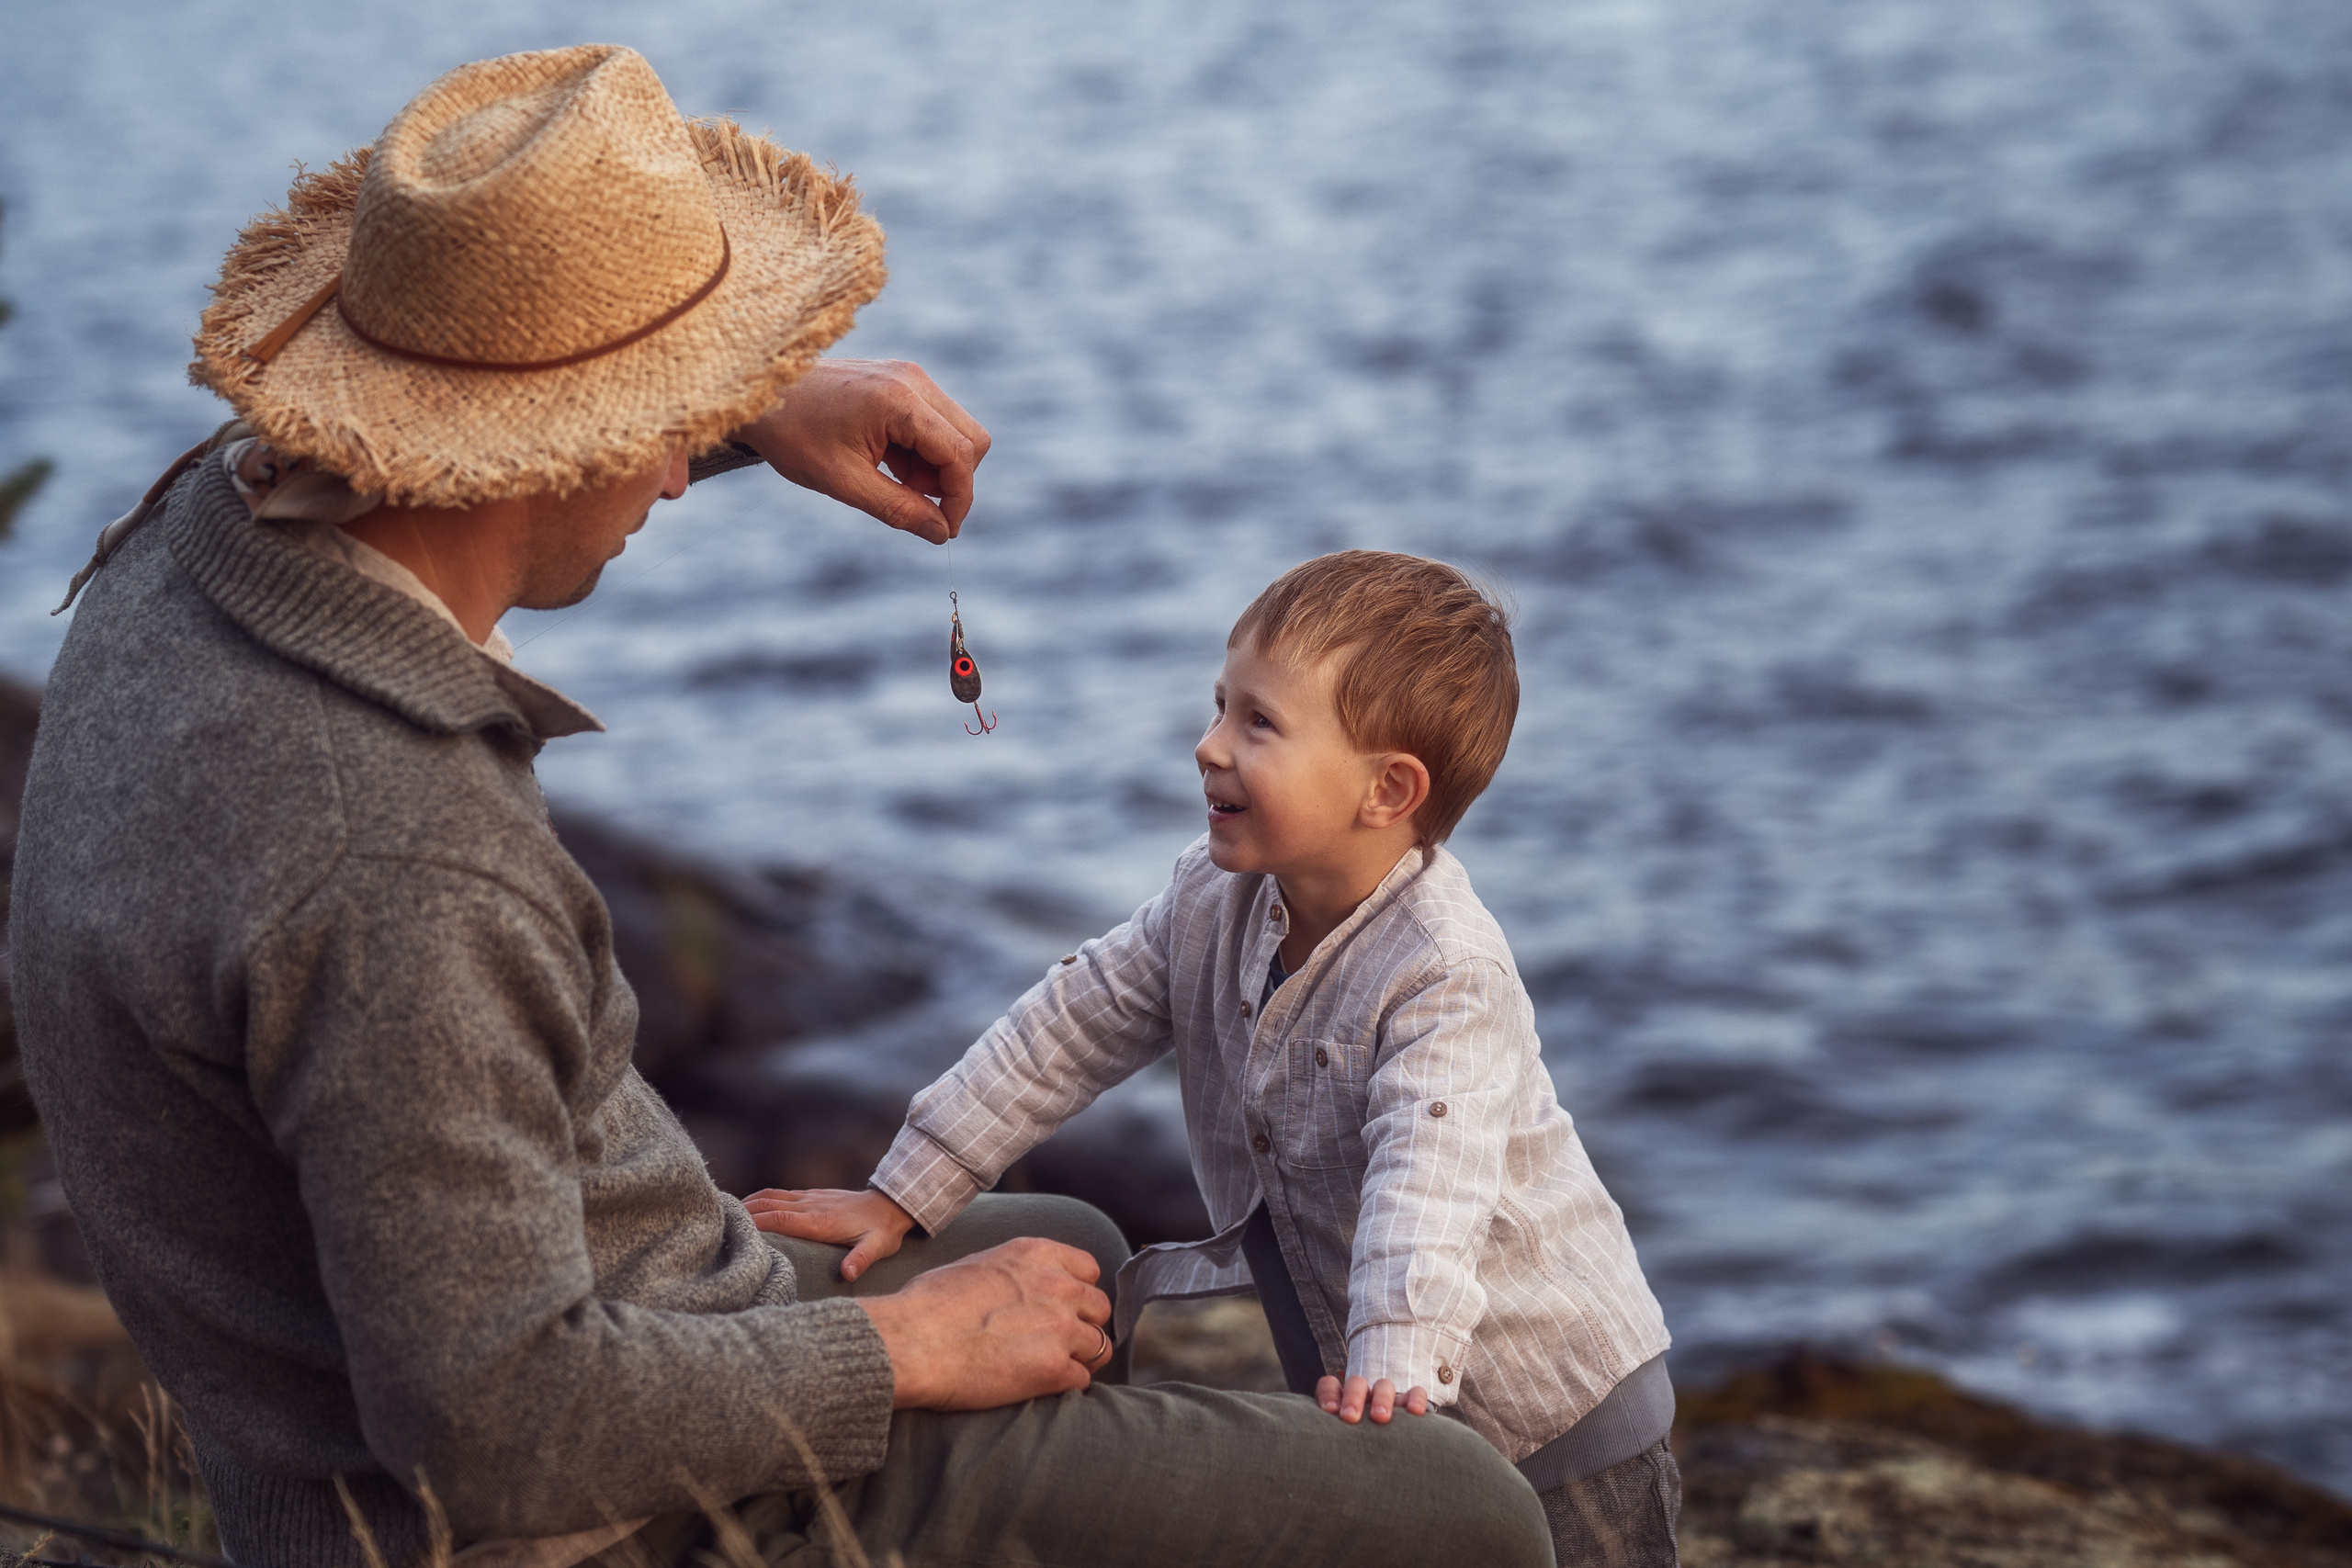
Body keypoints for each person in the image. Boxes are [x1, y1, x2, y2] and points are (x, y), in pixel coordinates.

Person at [8, 44, 1553, 1568]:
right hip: (587, 1518)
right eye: (669, 415)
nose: (680, 470)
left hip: (485, 1355)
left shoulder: (196, 544)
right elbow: (496, 1424)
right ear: (572, 440)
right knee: (1460, 1511)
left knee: (1070, 1253)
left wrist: (759, 409)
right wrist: (903, 1348)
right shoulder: (398, 855)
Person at [753, 551, 1683, 1566]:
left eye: (1258, 725)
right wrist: (905, 1193)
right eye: (1218, 707)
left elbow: (1432, 1182)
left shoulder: (1444, 974)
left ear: (1387, 789)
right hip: (1374, 1382)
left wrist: (1394, 1368)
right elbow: (1070, 1023)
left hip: (1554, 1414)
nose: (1207, 747)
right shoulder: (1214, 896)